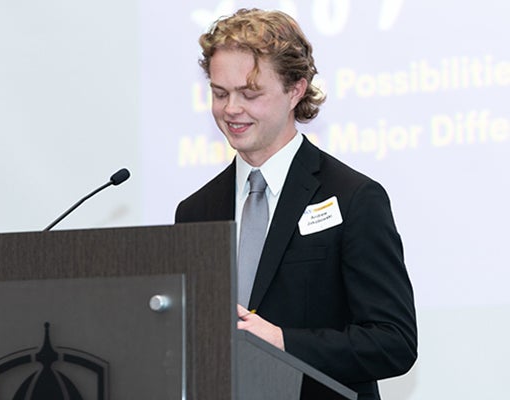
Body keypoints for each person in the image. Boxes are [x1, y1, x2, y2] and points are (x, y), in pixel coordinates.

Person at [175, 8, 417, 400]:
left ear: (296, 90)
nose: (231, 109)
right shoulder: (195, 211)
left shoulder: (354, 198)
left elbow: (394, 342)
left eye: (250, 93)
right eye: (220, 93)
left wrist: (283, 341)